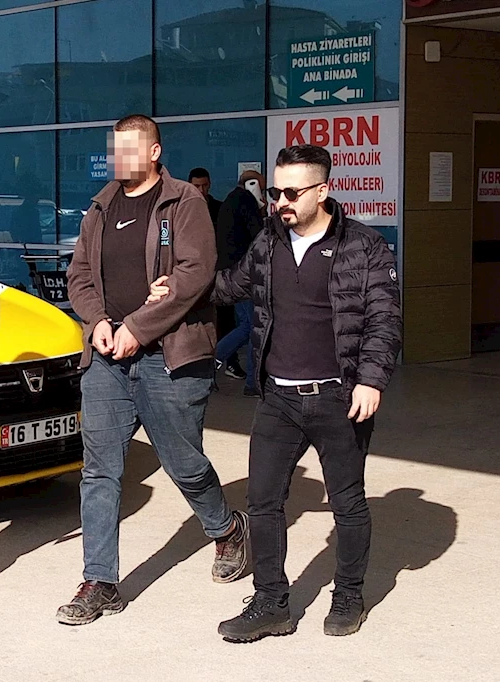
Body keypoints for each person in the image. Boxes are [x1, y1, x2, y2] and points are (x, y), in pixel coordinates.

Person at [148, 144, 402, 641]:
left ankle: (348, 596)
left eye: (291, 192)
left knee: (348, 503)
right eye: (274, 192)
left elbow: (384, 320)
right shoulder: (269, 240)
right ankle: (270, 603)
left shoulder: (364, 246)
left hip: (338, 398)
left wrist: (371, 380)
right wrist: (177, 290)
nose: (280, 201)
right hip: (278, 399)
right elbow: (229, 286)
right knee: (262, 501)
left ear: (322, 191)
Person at [59, 115, 249, 626]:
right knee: (99, 470)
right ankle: (100, 582)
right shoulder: (100, 207)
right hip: (106, 359)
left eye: (127, 149)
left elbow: (195, 273)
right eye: (113, 150)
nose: (116, 159)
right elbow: (79, 274)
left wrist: (137, 328)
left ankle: (227, 528)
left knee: (182, 463)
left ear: (154, 152)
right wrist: (98, 321)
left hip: (169, 358)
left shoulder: (184, 202)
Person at [214, 171, 266, 394]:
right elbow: (260, 236)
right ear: (253, 185)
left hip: (230, 274)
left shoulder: (230, 200)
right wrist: (261, 209)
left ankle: (251, 381)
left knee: (248, 324)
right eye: (261, 188)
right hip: (244, 274)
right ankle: (252, 382)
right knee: (252, 326)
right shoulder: (246, 200)